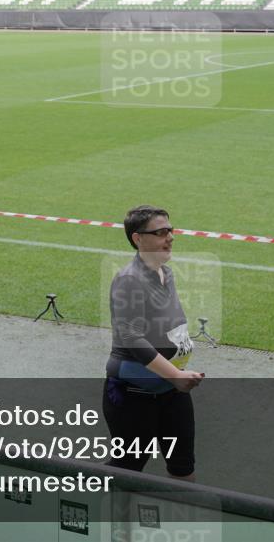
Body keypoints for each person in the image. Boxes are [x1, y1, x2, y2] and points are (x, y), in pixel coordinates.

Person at [104, 205, 204, 480]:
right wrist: (175, 375)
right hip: (133, 395)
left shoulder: (166, 273)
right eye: (160, 232)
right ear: (138, 239)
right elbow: (132, 339)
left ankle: (183, 523)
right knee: (127, 471)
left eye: (170, 230)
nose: (170, 237)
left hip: (172, 391)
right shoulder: (129, 279)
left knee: (184, 467)